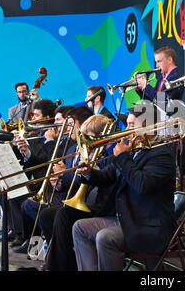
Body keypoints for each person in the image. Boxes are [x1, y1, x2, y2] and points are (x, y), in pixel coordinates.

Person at [72, 106, 177, 271]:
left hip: (148, 226)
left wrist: (122, 157)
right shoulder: (133, 151)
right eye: (127, 124)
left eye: (131, 125)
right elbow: (108, 177)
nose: (126, 130)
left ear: (148, 126)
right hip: (126, 219)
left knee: (104, 237)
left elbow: (142, 185)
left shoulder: (162, 155)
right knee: (80, 228)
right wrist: (88, 173)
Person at [12, 106, 93, 254]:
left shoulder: (66, 141)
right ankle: (37, 246)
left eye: (59, 120)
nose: (59, 125)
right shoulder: (62, 142)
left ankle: (47, 249)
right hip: (53, 185)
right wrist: (26, 151)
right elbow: (42, 161)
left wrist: (50, 142)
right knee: (24, 203)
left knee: (31, 206)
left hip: (69, 193)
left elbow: (51, 161)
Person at [38, 114, 112, 271]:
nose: (85, 142)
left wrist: (92, 174)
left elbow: (106, 184)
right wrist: (59, 183)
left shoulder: (108, 156)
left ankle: (57, 266)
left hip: (100, 206)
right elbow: (76, 183)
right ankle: (65, 262)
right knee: (46, 215)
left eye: (89, 137)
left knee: (63, 215)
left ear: (101, 136)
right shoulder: (87, 154)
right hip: (83, 202)